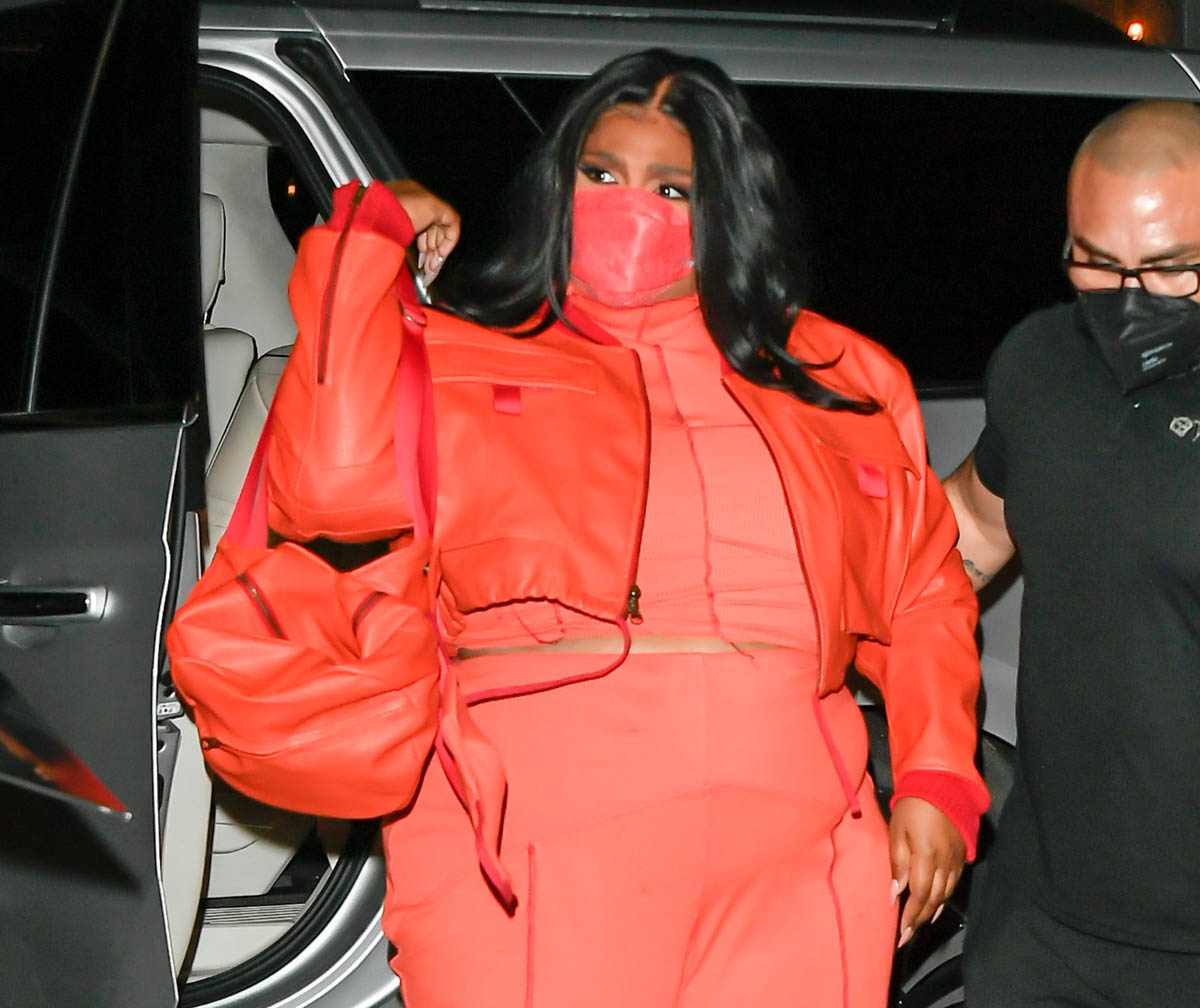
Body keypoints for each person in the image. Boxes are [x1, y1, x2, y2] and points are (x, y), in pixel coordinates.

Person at [178, 49, 988, 1007]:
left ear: (731, 207)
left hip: (800, 856)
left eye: (672, 188)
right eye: (600, 174)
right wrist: (370, 241)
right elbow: (323, 486)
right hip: (538, 849)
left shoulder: (840, 376)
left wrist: (937, 777)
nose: (630, 207)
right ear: (557, 184)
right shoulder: (467, 352)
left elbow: (922, 589)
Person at [946, 100, 1200, 1005]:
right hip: (1039, 918)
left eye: (1171, 269)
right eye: (1096, 262)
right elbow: (972, 528)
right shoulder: (1040, 360)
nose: (1130, 299)